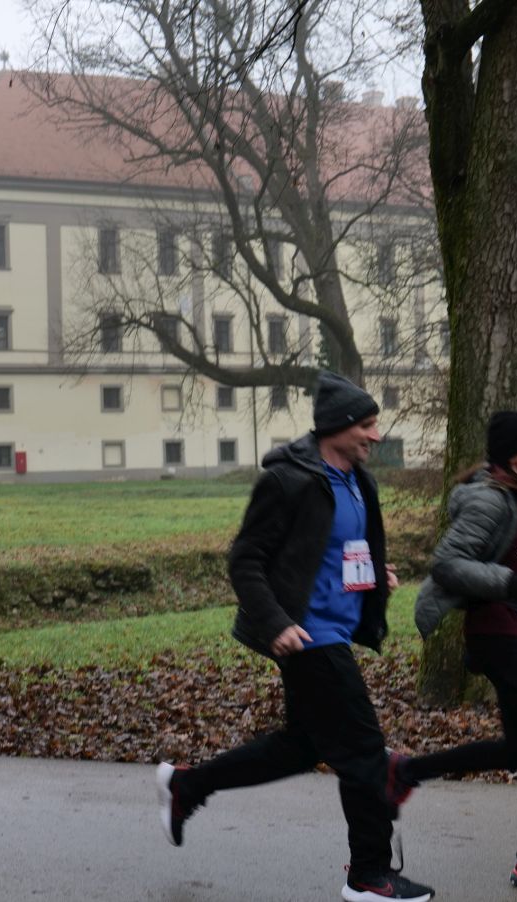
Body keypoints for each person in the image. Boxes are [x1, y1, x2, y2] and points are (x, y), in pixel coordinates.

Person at [155, 372, 435, 902]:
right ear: (337, 427)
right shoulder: (289, 480)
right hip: (308, 633)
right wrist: (276, 622)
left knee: (304, 745)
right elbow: (246, 559)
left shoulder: (359, 480)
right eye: (367, 426)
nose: (376, 436)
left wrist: (375, 576)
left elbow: (337, 552)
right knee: (364, 750)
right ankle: (369, 875)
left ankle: (188, 786)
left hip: (339, 628)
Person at [396, 412, 517, 894]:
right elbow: (448, 564)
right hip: (497, 632)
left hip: (514, 631)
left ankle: (406, 770)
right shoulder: (489, 499)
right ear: (514, 454)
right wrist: (513, 584)